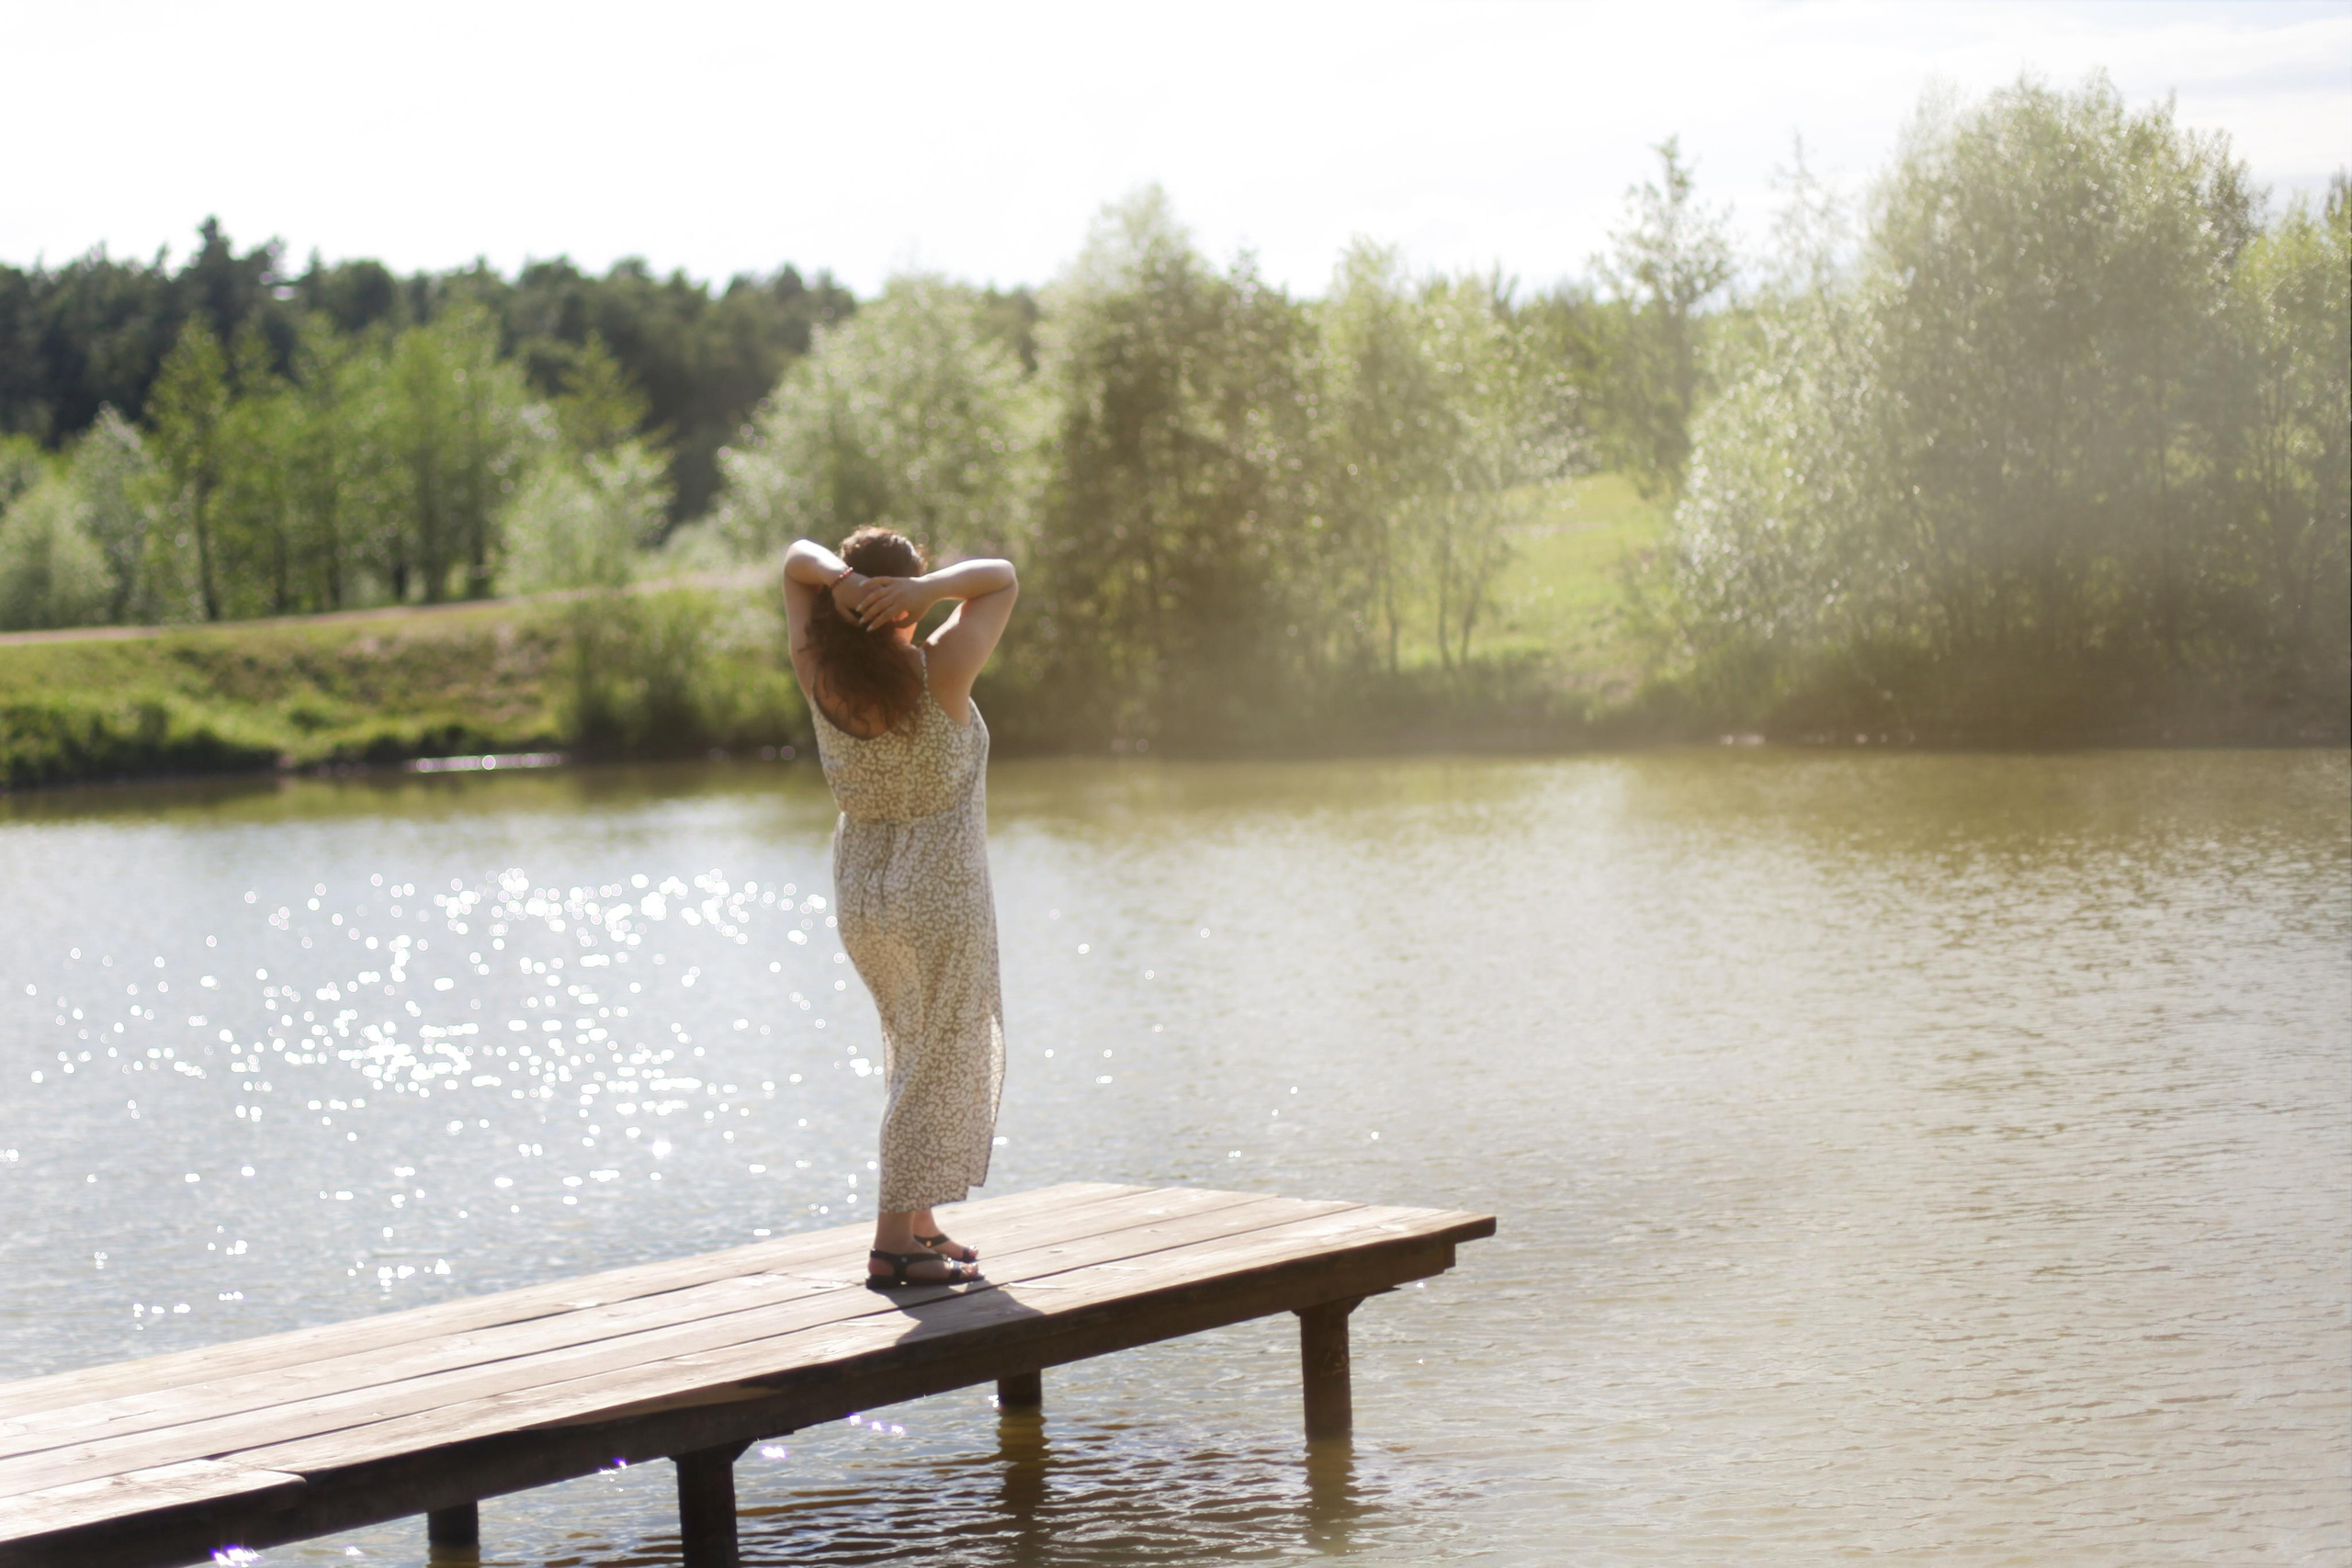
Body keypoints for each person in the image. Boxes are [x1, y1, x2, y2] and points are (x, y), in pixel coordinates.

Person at [780, 527, 1019, 1289]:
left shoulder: (817, 667)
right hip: (938, 887)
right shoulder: (939, 670)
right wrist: (930, 589)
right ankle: (892, 1244)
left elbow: (794, 562)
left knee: (911, 1043)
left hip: (862, 889)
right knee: (936, 1051)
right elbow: (1003, 579)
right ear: (905, 599)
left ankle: (918, 1222)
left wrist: (838, 582)